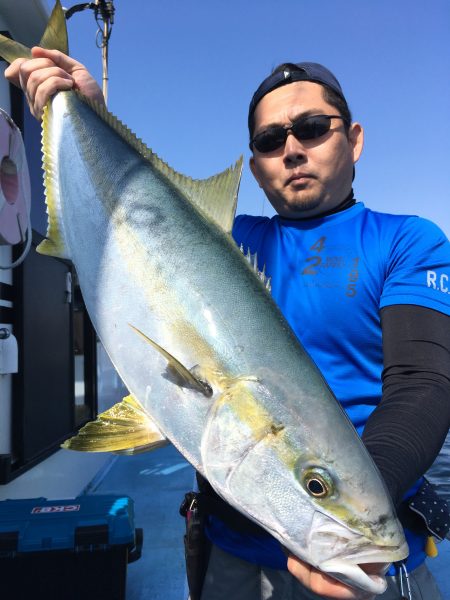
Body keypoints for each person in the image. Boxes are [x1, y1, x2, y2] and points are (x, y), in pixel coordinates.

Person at [6, 51, 450, 600]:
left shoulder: (407, 240)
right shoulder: (224, 242)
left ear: (353, 139)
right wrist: (87, 113)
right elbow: (132, 219)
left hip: (363, 555)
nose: (291, 150)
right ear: (256, 165)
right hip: (233, 554)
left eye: (312, 129)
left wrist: (349, 508)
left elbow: (423, 383)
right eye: (269, 141)